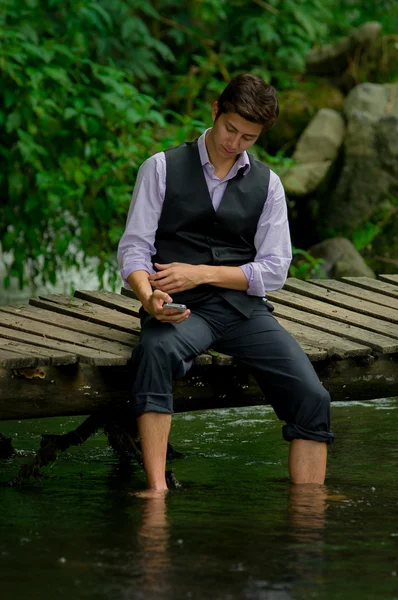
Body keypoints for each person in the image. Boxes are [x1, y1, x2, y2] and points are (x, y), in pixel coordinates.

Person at [118, 73, 334, 493]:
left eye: (248, 137)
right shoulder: (161, 168)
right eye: (230, 129)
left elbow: (275, 269)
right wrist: (148, 298)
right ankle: (156, 491)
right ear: (216, 112)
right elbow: (134, 250)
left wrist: (201, 273)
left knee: (313, 397)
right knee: (154, 352)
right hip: (179, 307)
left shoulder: (268, 185)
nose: (234, 143)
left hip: (242, 310)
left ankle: (308, 513)